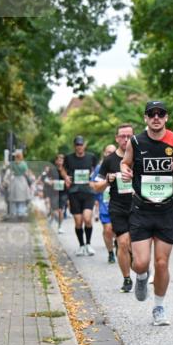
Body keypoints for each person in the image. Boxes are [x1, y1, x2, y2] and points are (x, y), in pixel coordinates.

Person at [120, 101, 173, 326]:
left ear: (166, 118)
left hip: (166, 209)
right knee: (141, 263)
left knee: (162, 263)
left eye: (160, 114)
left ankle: (159, 307)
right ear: (145, 118)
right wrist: (125, 172)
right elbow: (125, 163)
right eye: (151, 114)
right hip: (141, 209)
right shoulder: (135, 141)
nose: (156, 118)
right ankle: (142, 276)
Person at [95, 125, 136, 291]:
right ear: (117, 138)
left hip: (138, 206)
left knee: (135, 245)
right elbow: (96, 186)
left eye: (129, 136)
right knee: (123, 242)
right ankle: (127, 279)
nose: (125, 139)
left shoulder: (139, 157)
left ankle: (140, 271)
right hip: (118, 206)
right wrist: (107, 180)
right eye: (122, 136)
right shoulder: (109, 160)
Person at [64, 136, 99, 256]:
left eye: (81, 144)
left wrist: (93, 180)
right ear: (74, 146)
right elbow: (63, 169)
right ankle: (81, 245)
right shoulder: (68, 158)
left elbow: (97, 169)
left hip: (88, 192)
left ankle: (88, 244)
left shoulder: (91, 157)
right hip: (74, 192)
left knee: (87, 219)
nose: (79, 147)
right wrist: (66, 177)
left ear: (84, 145)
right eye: (77, 145)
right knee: (78, 222)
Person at [92, 144, 117, 264]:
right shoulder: (99, 168)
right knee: (108, 229)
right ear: (104, 153)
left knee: (118, 230)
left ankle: (118, 243)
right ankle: (111, 253)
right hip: (105, 204)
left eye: (113, 152)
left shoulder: (122, 164)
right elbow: (94, 185)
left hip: (119, 204)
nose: (110, 154)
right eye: (108, 152)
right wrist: (96, 199)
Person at [7, 149, 31, 220]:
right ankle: (21, 212)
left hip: (15, 180)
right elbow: (27, 173)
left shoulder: (13, 164)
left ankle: (14, 212)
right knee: (22, 198)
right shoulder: (24, 164)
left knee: (14, 197)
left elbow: (10, 172)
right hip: (22, 180)